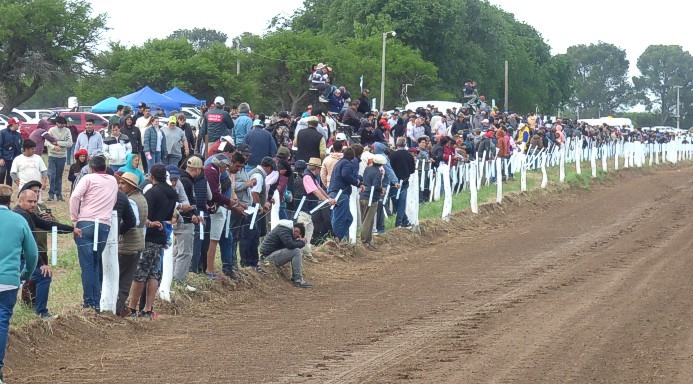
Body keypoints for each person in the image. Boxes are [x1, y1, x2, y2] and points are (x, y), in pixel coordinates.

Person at [13, 189, 77, 318]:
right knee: (44, 275)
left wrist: (71, 229)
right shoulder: (22, 216)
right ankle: (41, 312)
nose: (33, 204)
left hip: (20, 258)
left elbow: (46, 224)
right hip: (17, 260)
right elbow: (29, 246)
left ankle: (35, 309)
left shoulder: (27, 213)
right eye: (29, 201)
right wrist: (41, 264)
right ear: (20, 201)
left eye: (35, 201)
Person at [69, 155, 118, 312]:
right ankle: (96, 302)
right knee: (96, 264)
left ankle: (89, 302)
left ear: (91, 168)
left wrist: (74, 219)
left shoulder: (88, 178)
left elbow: (75, 196)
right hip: (104, 225)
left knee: (87, 265)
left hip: (86, 222)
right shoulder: (113, 180)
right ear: (105, 167)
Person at [0, 184, 38, 383]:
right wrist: (25, 274)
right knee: (1, 323)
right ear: (10, 200)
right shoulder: (19, 220)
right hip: (8, 280)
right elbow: (32, 254)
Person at [128, 164, 177, 319]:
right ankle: (148, 308)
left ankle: (132, 308)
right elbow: (169, 217)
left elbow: (144, 214)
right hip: (161, 233)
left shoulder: (153, 192)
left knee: (140, 273)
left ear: (151, 176)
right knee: (154, 273)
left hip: (148, 234)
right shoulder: (173, 193)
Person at [115, 172, 148, 317]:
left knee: (121, 278)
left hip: (128, 242)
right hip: (137, 241)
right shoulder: (140, 198)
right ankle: (120, 307)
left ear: (131, 186)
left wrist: (118, 232)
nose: (120, 186)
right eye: (120, 183)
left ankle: (117, 308)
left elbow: (132, 222)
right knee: (126, 279)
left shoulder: (132, 201)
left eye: (123, 183)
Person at [294, 157, 334, 263]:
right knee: (301, 231)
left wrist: (328, 199)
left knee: (309, 229)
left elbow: (319, 188)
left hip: (307, 209)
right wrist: (326, 200)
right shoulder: (307, 177)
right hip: (303, 209)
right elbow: (315, 191)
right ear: (316, 168)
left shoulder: (310, 176)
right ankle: (300, 254)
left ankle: (306, 252)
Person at [240, 156, 275, 272]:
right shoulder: (259, 175)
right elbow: (255, 193)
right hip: (252, 208)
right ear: (269, 167)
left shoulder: (256, 173)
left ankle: (250, 262)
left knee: (252, 234)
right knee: (251, 235)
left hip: (251, 207)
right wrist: (259, 205)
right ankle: (249, 262)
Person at [174, 157, 205, 284]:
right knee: (185, 253)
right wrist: (192, 214)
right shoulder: (186, 182)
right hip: (185, 221)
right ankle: (180, 281)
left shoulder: (181, 179)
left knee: (177, 252)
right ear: (197, 170)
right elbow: (186, 201)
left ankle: (173, 279)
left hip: (180, 219)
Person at [259, 221, 313, 287]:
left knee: (296, 250)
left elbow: (289, 245)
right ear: (296, 231)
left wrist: (299, 242)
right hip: (266, 258)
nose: (296, 238)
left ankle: (296, 278)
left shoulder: (284, 229)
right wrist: (302, 243)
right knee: (296, 251)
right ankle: (298, 279)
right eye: (297, 236)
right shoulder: (284, 230)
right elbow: (290, 245)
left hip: (268, 255)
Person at [327, 147, 361, 244]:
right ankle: (335, 241)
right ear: (353, 157)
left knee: (348, 218)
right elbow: (346, 175)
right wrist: (357, 182)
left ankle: (341, 240)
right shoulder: (346, 163)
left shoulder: (340, 162)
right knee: (340, 218)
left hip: (337, 192)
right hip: (340, 193)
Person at [389, 137, 416, 228]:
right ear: (405, 144)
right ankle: (403, 221)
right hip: (405, 181)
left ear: (397, 144)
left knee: (396, 201)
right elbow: (412, 170)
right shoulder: (409, 155)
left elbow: (390, 169)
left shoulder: (393, 155)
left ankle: (400, 221)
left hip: (394, 182)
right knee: (402, 201)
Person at [360, 154, 385, 250]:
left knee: (365, 219)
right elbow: (375, 186)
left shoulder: (367, 168)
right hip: (370, 199)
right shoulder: (377, 173)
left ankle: (366, 241)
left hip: (363, 196)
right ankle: (365, 242)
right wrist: (381, 189)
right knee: (368, 221)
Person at [45, 116, 73, 201]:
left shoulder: (67, 130)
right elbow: (46, 141)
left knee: (59, 176)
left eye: (63, 124)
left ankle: (59, 194)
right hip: (52, 156)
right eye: (60, 123)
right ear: (56, 123)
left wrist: (57, 142)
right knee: (52, 175)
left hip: (62, 156)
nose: (62, 125)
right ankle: (51, 194)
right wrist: (53, 147)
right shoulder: (51, 130)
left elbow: (70, 143)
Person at [0, 117, 24, 186]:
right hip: (4, 158)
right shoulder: (2, 133)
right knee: (1, 174)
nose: (19, 125)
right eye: (18, 124)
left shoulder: (18, 135)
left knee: (10, 176)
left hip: (14, 159)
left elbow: (20, 148)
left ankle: (8, 195)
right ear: (13, 124)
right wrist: (1, 158)